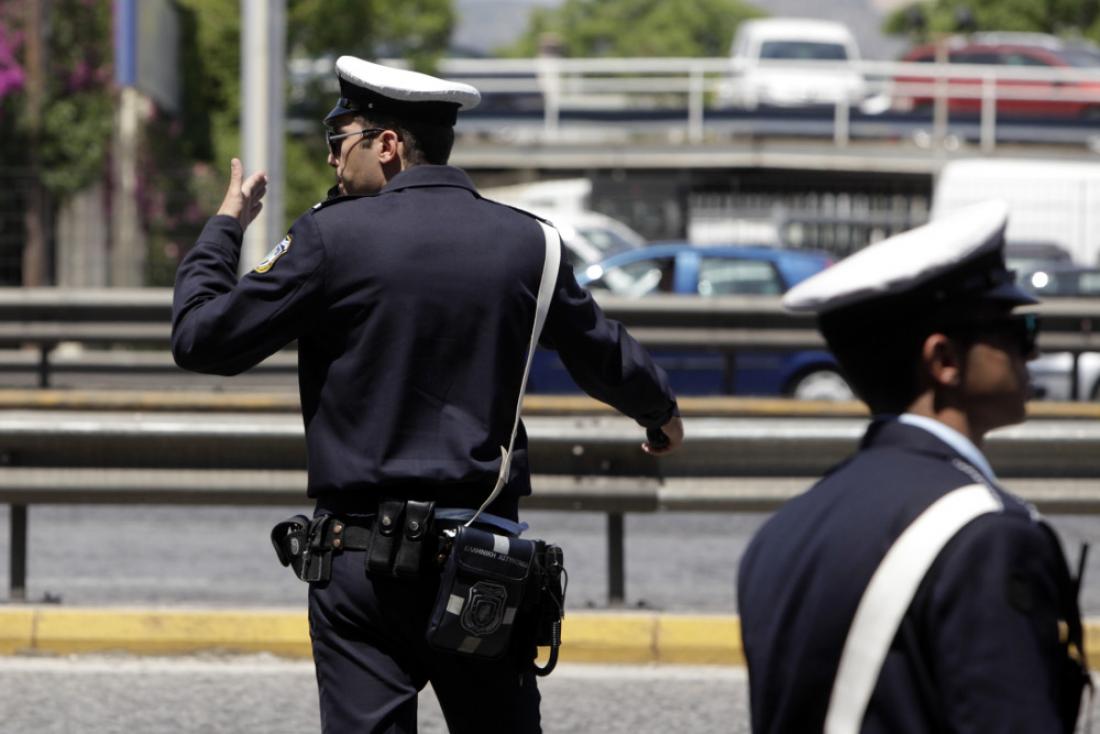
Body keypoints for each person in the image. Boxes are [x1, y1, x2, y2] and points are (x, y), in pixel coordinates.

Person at [171, 56, 683, 734]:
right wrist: (660, 415)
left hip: (360, 567)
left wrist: (225, 228)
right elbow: (601, 349)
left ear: (387, 144)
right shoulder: (532, 242)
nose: (331, 159)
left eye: (338, 139)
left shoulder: (330, 237)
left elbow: (201, 338)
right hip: (481, 562)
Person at [738, 200, 1089, 733]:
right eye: (1017, 332)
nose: (1031, 355)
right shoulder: (986, 535)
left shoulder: (783, 531)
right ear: (944, 361)